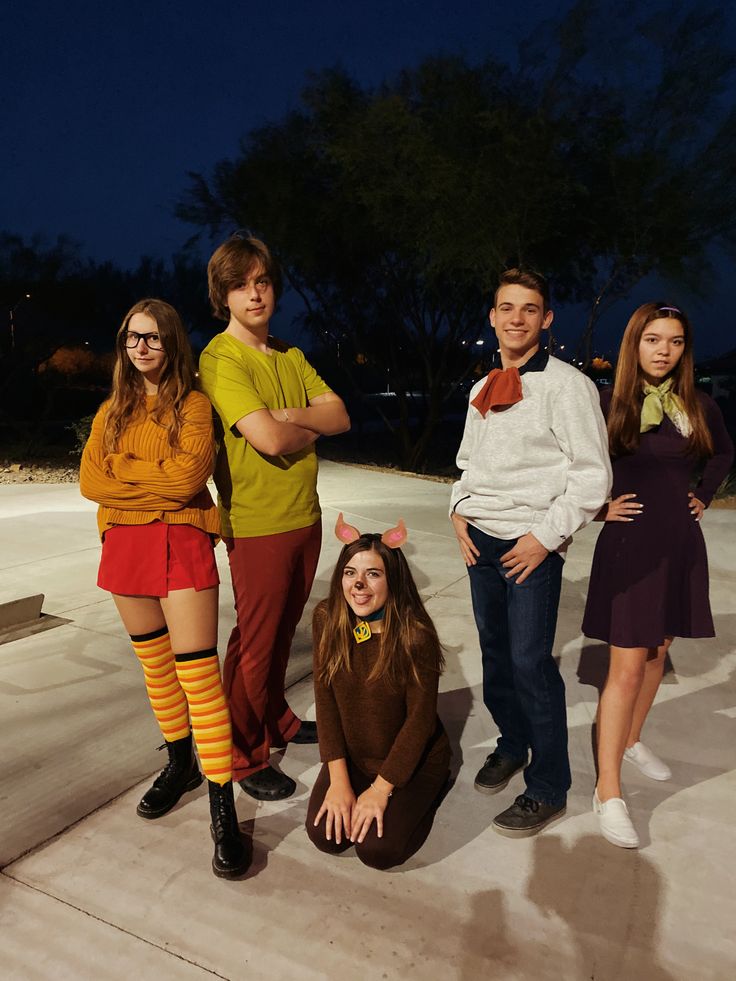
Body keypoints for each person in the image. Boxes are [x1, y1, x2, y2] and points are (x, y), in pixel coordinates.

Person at [80, 298, 250, 879]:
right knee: (156, 668)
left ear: (172, 342)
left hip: (181, 542)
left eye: (152, 338)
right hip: (124, 545)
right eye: (132, 338)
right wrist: (140, 484)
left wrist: (124, 476)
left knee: (198, 676)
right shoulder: (110, 413)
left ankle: (222, 804)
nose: (141, 348)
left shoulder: (196, 406)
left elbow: (185, 481)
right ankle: (181, 762)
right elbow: (88, 480)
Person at [450, 268, 612, 837]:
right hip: (480, 541)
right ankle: (512, 743)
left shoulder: (569, 386)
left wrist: (545, 538)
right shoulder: (482, 386)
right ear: (492, 317)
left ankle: (549, 788)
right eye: (506, 307)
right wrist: (457, 509)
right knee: (495, 654)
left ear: (545, 319)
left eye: (529, 308)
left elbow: (593, 477)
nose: (516, 317)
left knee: (531, 665)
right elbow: (467, 461)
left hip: (530, 546)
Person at [198, 234, 350, 802]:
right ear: (224, 294)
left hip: (303, 516)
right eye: (240, 285)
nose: (254, 293)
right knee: (257, 643)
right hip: (258, 523)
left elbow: (341, 416)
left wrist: (293, 419)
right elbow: (265, 436)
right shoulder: (220, 359)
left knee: (280, 632)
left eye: (262, 281)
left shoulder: (289, 354)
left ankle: (276, 717)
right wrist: (303, 424)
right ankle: (241, 752)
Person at [582, 302, 733, 848]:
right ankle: (608, 790)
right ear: (634, 344)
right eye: (653, 339)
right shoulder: (609, 403)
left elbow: (722, 455)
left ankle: (631, 739)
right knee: (624, 666)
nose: (663, 350)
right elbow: (569, 463)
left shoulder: (698, 405)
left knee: (658, 651)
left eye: (673, 341)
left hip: (680, 544)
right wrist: (597, 508)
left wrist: (703, 496)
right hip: (630, 546)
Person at [306, 514, 451, 869]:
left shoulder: (416, 636)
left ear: (393, 581)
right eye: (350, 573)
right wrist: (339, 780)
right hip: (356, 756)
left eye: (373, 573)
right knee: (325, 835)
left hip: (410, 761)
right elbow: (325, 703)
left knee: (377, 851)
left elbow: (419, 722)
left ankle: (429, 793)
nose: (359, 584)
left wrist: (381, 789)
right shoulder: (327, 618)